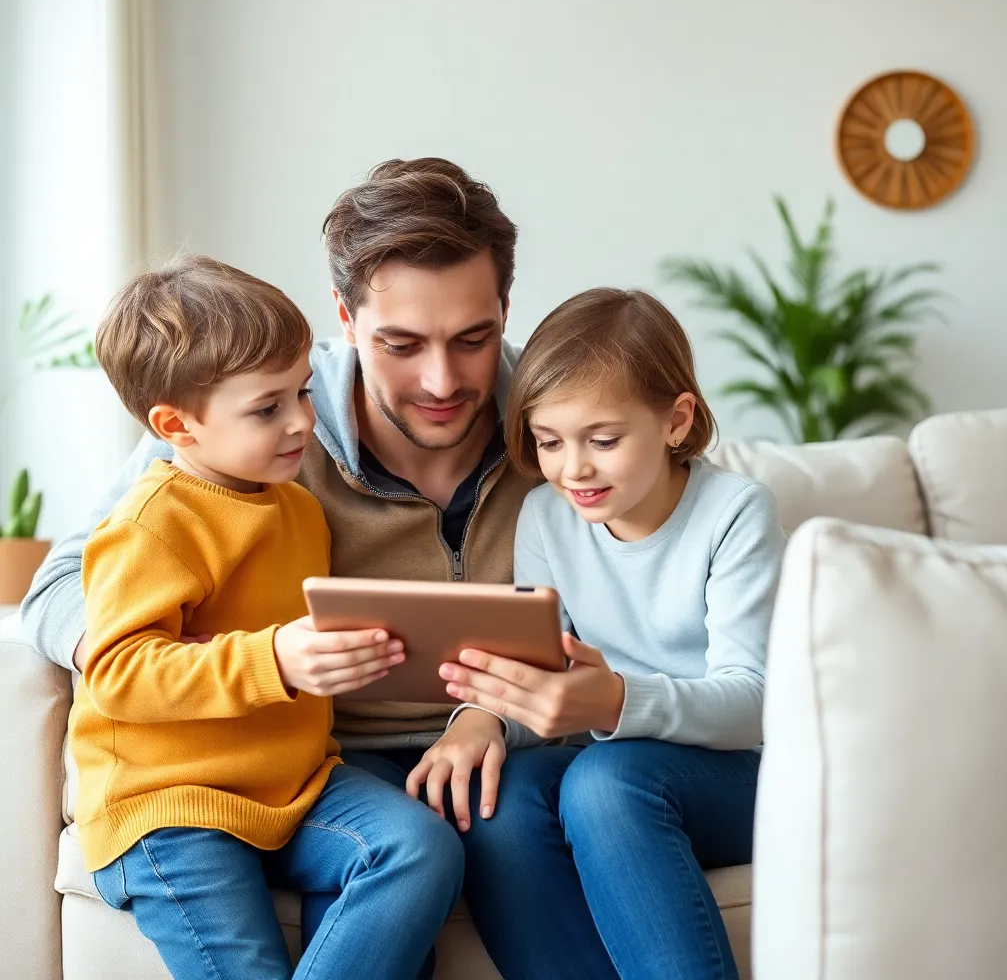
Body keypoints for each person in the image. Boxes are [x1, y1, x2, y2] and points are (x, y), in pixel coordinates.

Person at [68, 255, 463, 980]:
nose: (303, 422)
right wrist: (274, 658)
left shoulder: (297, 509)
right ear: (175, 425)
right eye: (267, 407)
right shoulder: (153, 524)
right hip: (170, 807)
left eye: (303, 393)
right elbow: (117, 673)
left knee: (419, 847)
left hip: (293, 785)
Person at [435, 288, 786, 980]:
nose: (574, 469)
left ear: (677, 421)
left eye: (603, 440)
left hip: (746, 771)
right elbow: (540, 676)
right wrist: (481, 720)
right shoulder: (546, 517)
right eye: (549, 442)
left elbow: (754, 700)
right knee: (498, 796)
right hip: (624, 764)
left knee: (605, 779)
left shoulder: (735, 512)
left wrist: (615, 701)